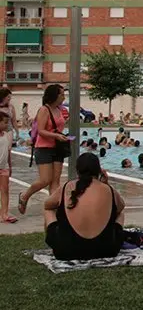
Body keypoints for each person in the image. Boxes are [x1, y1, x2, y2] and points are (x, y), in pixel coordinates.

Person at [43, 153, 125, 261]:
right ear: (99, 170)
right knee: (121, 213)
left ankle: (53, 243)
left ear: (77, 170)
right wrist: (106, 184)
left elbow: (47, 205)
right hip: (107, 250)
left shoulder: (67, 186)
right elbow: (120, 208)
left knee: (48, 210)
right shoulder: (109, 189)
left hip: (66, 251)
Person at [18, 84, 69, 215]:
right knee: (45, 179)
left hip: (58, 147)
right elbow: (41, 131)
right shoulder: (44, 110)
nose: (64, 96)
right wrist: (56, 135)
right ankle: (25, 195)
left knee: (55, 181)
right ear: (55, 95)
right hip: (44, 147)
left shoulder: (60, 109)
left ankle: (54, 208)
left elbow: (59, 126)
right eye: (62, 94)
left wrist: (61, 135)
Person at [0, 113, 14, 223]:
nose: (6, 125)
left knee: (5, 190)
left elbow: (8, 152)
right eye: (4, 122)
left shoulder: (5, 135)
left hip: (4, 168)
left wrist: (10, 165)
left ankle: (4, 213)